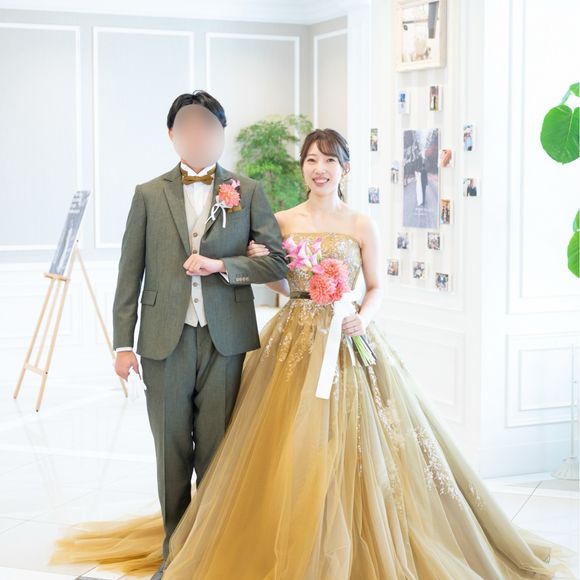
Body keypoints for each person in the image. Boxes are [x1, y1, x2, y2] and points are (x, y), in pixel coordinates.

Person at [51, 129, 574, 579]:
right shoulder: (280, 219)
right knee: (283, 444)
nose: (319, 169)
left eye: (329, 160)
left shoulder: (361, 224)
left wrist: (362, 316)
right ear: (302, 168)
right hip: (295, 337)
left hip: (348, 336)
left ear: (345, 168)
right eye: (311, 160)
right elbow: (278, 282)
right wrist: (274, 272)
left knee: (356, 444)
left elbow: (376, 286)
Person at [102, 90, 287, 578]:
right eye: (187, 126)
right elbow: (129, 272)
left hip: (226, 340)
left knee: (217, 450)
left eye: (208, 126)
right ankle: (175, 552)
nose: (197, 135)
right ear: (172, 134)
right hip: (163, 340)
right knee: (170, 451)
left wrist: (223, 265)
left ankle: (213, 547)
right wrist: (123, 344)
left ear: (221, 133)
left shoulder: (248, 191)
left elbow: (277, 261)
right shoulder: (148, 193)